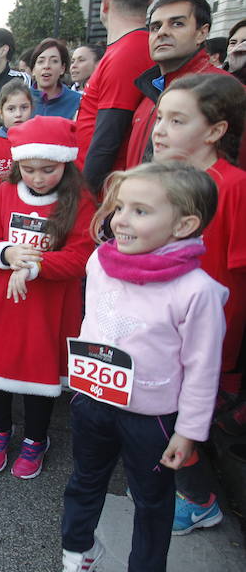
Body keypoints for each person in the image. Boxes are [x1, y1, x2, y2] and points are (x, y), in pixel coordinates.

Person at [61, 162, 226, 572]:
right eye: (120, 208)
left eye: (140, 211)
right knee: (84, 481)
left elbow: (203, 368)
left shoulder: (197, 292)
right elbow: (92, 323)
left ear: (185, 224)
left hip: (151, 416)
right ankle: (77, 551)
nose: (120, 220)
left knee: (152, 500)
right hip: (92, 401)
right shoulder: (99, 261)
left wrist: (189, 431)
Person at [0, 116, 95, 480]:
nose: (38, 178)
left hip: (51, 305)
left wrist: (34, 265)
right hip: (5, 302)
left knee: (42, 379)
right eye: (29, 169)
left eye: (49, 170)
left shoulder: (80, 199)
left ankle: (36, 439)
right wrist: (7, 255)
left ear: (66, 163)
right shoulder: (5, 193)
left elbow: (82, 257)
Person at [150, 73, 246, 529]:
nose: (160, 129)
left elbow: (236, 273)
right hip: (157, 329)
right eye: (160, 117)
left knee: (177, 416)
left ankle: (198, 499)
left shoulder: (233, 186)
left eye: (177, 120)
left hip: (203, 336)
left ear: (215, 131)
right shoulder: (162, 180)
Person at [126, 0, 230, 169]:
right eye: (155, 27)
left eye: (177, 24)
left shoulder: (226, 90)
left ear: (202, 33)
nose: (162, 32)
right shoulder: (150, 89)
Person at [0, 80, 34, 182]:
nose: (18, 114)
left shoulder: (39, 141)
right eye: (11, 109)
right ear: (0, 113)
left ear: (31, 109)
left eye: (24, 107)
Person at [31, 39, 82, 119]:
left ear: (62, 68)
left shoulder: (78, 102)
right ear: (33, 69)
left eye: (54, 61)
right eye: (41, 61)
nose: (46, 66)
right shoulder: (20, 99)